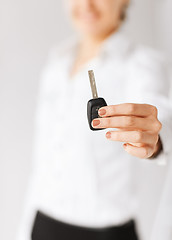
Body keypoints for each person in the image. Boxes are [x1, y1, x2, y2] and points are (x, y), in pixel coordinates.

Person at [16, 0, 172, 239]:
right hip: (42, 224)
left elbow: (159, 117)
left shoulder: (140, 64)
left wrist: (155, 138)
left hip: (105, 233)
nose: (86, 4)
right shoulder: (55, 65)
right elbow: (43, 162)